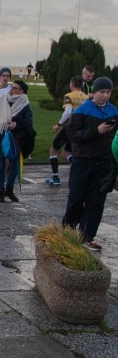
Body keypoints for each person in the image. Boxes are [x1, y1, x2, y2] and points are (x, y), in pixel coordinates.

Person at [62, 77, 118, 252]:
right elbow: (73, 135)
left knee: (96, 202)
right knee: (76, 198)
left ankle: (88, 236)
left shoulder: (113, 110)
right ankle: (68, 230)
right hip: (83, 161)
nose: (105, 96)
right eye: (102, 92)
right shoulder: (83, 110)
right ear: (95, 91)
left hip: (103, 163)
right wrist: (96, 131)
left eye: (108, 92)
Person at [0, 80, 35, 202]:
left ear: (21, 92)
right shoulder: (3, 99)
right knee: (0, 164)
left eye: (15, 88)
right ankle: (1, 191)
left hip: (14, 136)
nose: (11, 90)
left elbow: (29, 124)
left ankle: (9, 189)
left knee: (14, 165)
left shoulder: (25, 104)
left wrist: (16, 124)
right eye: (12, 87)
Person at [46, 76, 88, 186]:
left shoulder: (68, 96)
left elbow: (68, 112)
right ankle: (79, 166)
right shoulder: (86, 98)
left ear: (71, 85)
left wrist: (58, 124)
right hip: (81, 129)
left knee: (53, 150)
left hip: (69, 127)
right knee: (66, 153)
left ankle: (55, 178)